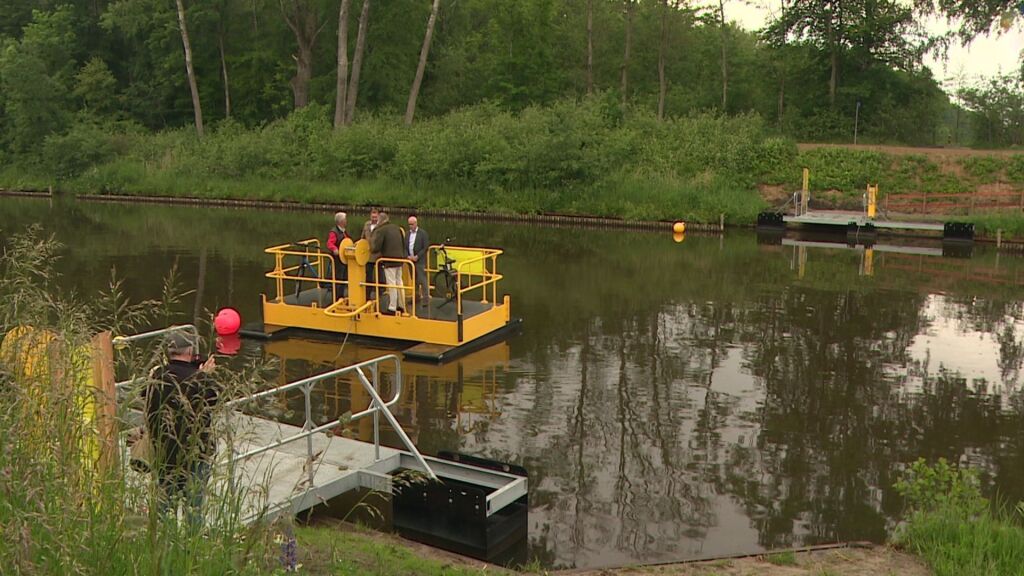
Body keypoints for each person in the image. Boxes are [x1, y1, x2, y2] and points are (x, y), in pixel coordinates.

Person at [145, 331, 219, 525]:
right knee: (194, 509)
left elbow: (145, 398)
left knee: (163, 507)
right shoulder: (199, 379)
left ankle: (159, 543)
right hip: (195, 454)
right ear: (190, 351)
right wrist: (205, 375)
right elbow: (214, 399)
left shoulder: (157, 376)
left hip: (165, 452)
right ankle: (191, 548)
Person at [369, 212, 407, 315]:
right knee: (399, 282)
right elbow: (403, 243)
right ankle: (402, 305)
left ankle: (392, 307)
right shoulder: (397, 228)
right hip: (400, 259)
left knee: (391, 283)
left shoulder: (382, 230)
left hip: (389, 260)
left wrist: (371, 248)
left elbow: (376, 247)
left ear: (380, 220)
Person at [326, 212, 350, 300]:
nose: (346, 221)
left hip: (344, 258)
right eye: (345, 220)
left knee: (344, 277)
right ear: (341, 221)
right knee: (338, 278)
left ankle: (341, 295)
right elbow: (329, 243)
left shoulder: (343, 231)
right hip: (338, 259)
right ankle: (337, 297)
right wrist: (335, 249)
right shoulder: (334, 232)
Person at [406, 216, 429, 305]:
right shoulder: (407, 234)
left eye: (412, 224)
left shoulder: (423, 233)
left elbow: (425, 247)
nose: (410, 226)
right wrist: (407, 256)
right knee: (414, 280)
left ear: (416, 223)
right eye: (409, 224)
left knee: (422, 280)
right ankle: (416, 297)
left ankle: (426, 299)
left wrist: (417, 256)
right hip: (410, 260)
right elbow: (405, 246)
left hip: (419, 261)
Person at [361, 208, 381, 297]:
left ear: (378, 216)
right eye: (372, 217)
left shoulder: (381, 226)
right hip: (368, 255)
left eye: (375, 217)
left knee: (380, 275)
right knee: (368, 275)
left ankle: (380, 294)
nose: (374, 219)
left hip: (378, 255)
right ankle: (367, 294)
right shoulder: (366, 224)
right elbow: (362, 237)